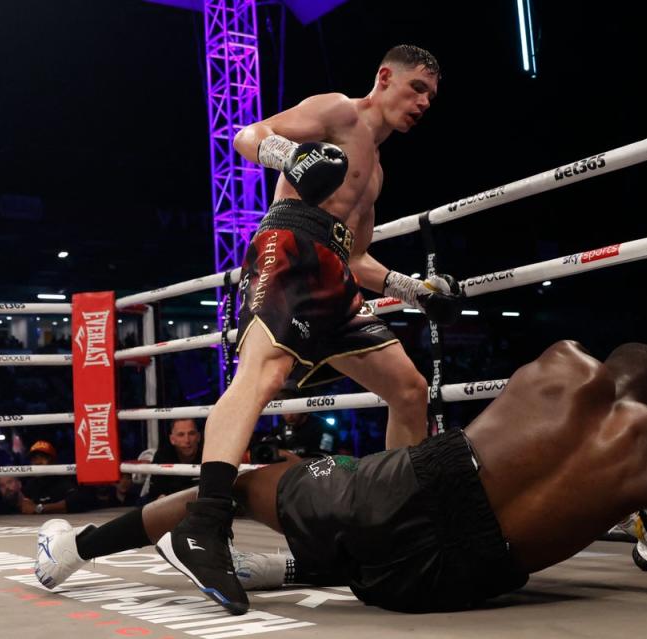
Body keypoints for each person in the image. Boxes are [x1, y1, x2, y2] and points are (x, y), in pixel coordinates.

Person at [35, 341, 647, 614]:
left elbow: (502, 447)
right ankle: (295, 563)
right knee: (363, 550)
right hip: (448, 582)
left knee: (244, 480)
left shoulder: (559, 363)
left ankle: (78, 548)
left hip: (413, 485)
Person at [155, 43, 463, 606]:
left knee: (410, 389)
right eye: (417, 88)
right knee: (263, 374)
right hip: (289, 246)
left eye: (431, 97)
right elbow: (245, 134)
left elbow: (361, 259)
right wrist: (286, 156)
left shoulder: (376, 173)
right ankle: (203, 525)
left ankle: (393, 522)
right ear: (384, 76)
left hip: (335, 276)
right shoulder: (339, 111)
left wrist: (414, 291)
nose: (423, 102)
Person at [142, 419, 203, 503]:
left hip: (201, 507)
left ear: (198, 437)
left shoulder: (208, 454)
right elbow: (156, 493)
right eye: (181, 435)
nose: (187, 440)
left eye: (191, 433)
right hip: (171, 508)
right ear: (172, 439)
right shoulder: (163, 456)